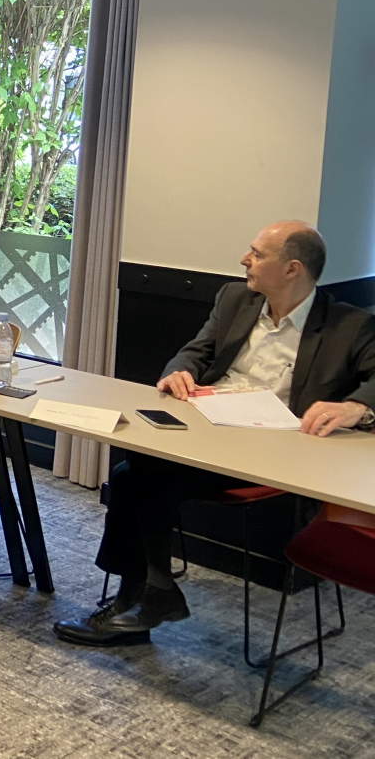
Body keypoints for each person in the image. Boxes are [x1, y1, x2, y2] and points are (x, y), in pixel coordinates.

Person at [55, 221, 375, 647]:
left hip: (274, 450)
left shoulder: (349, 325)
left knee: (137, 473)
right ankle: (149, 592)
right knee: (140, 460)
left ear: (292, 268)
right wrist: (179, 372)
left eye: (258, 254)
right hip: (208, 430)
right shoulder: (235, 298)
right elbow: (195, 350)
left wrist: (355, 406)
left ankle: (143, 593)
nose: (245, 260)